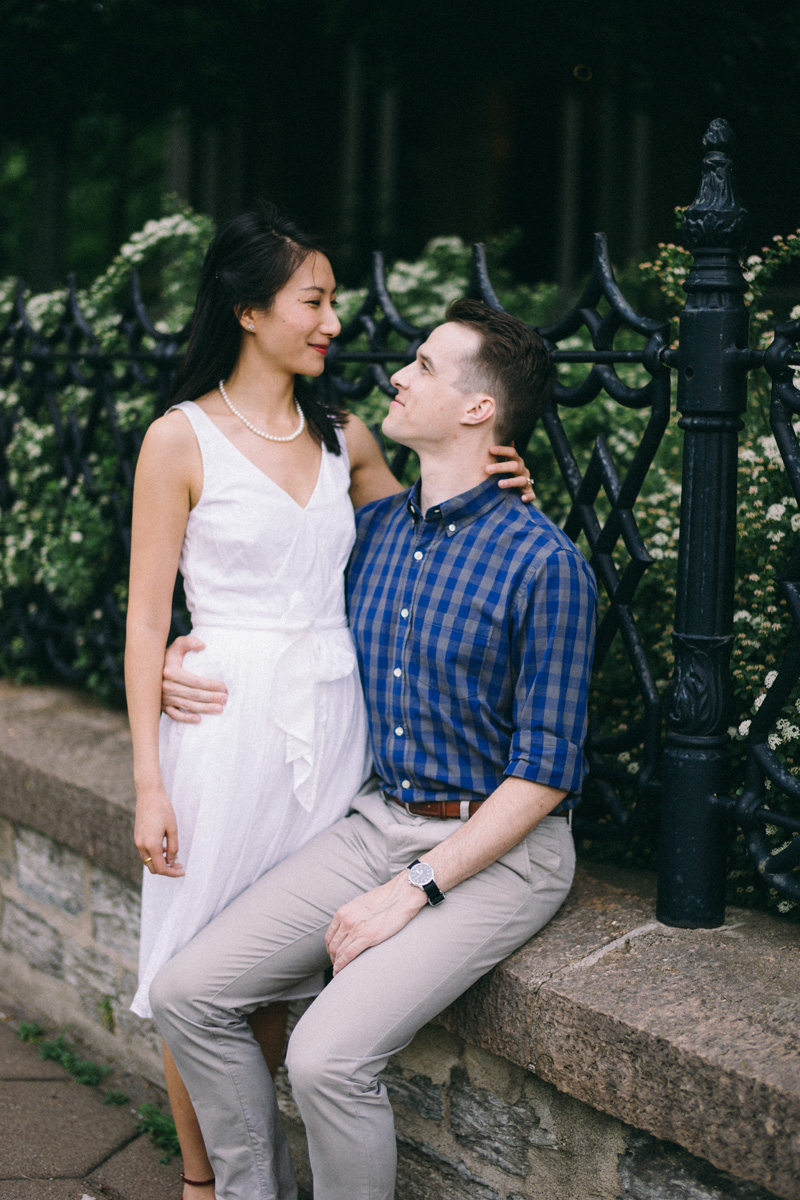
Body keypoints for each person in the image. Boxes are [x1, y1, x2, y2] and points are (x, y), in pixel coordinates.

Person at [124, 204, 534, 1199]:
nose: (334, 322)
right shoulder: (177, 441)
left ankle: (258, 1168)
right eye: (313, 300)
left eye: (333, 302)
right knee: (195, 963)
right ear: (248, 310)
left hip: (335, 719)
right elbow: (143, 619)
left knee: (277, 965)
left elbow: (420, 527)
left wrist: (499, 479)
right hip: (219, 723)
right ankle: (206, 1185)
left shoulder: (345, 435)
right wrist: (147, 780)